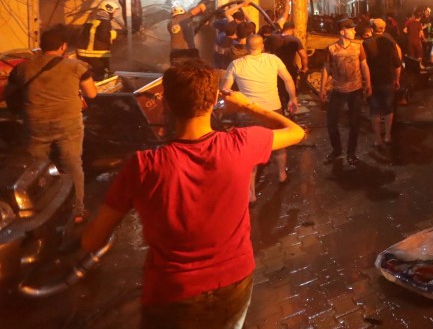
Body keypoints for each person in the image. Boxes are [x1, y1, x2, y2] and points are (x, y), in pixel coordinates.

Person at [81, 60, 304, 328]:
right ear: (212, 102)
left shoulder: (143, 165)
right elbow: (296, 132)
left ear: (168, 104)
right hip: (234, 282)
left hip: (173, 292)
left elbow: (93, 241)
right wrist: (248, 105)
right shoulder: (241, 144)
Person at [2, 26, 97, 222]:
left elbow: (9, 93)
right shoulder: (77, 67)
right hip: (68, 124)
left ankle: (41, 211)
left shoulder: (23, 68)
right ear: (63, 47)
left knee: (39, 169)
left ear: (40, 46)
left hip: (35, 124)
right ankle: (77, 211)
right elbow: (92, 94)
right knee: (72, 164)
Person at [222, 35, 298, 201]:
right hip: (272, 110)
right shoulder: (273, 59)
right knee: (279, 144)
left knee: (250, 152)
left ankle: (250, 194)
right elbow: (288, 79)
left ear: (246, 47)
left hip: (248, 113)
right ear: (262, 46)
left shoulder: (236, 64)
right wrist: (293, 98)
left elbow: (225, 89)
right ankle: (282, 175)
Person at [320, 18, 371, 165]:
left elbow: (364, 66)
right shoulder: (331, 49)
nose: (355, 31)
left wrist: (368, 83)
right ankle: (337, 151)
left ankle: (351, 153)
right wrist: (322, 88)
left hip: (355, 90)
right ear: (342, 32)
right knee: (331, 122)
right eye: (351, 29)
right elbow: (326, 69)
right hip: (338, 90)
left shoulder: (358, 47)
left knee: (354, 123)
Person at [363, 18, 402, 148]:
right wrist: (397, 79)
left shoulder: (366, 43)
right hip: (388, 80)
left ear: (372, 29)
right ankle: (388, 135)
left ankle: (377, 139)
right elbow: (397, 64)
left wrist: (365, 82)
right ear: (384, 29)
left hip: (373, 81)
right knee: (388, 108)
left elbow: (362, 65)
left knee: (375, 110)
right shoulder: (390, 43)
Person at [78, 0, 120, 80]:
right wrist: (116, 34)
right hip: (97, 55)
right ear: (109, 10)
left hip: (85, 54)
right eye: (114, 11)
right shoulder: (105, 22)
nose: (114, 14)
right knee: (102, 75)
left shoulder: (92, 21)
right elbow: (103, 36)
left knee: (90, 75)